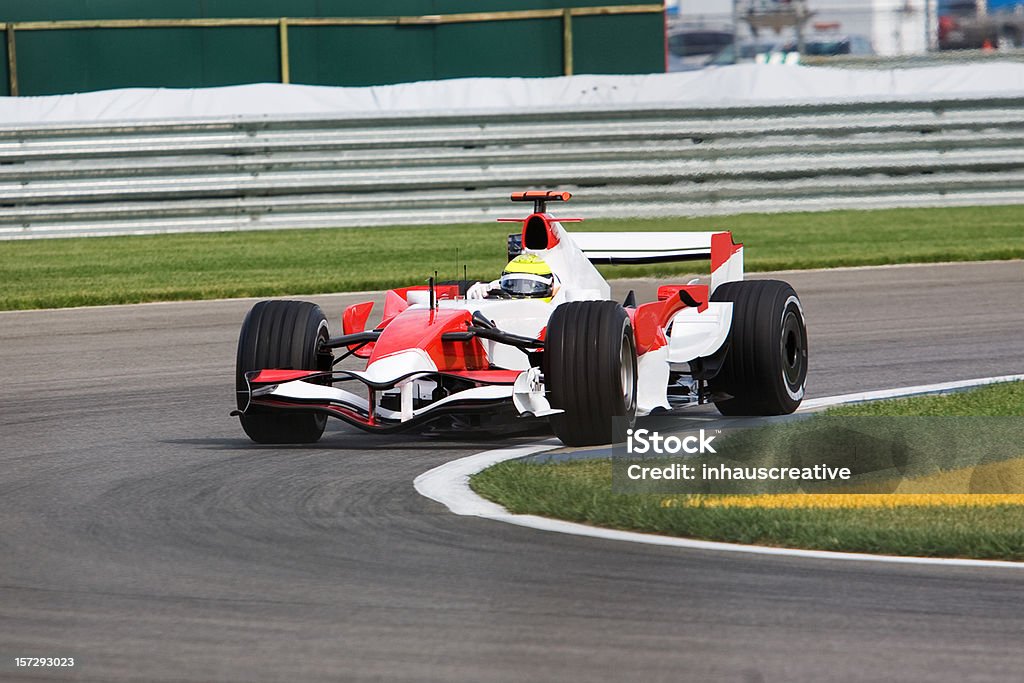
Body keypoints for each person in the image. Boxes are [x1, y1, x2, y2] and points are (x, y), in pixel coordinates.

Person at [466, 254, 560, 302]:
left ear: (551, 286)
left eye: (530, 286)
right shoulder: (493, 287)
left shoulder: (563, 298)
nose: (521, 291)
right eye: (514, 285)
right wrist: (472, 291)